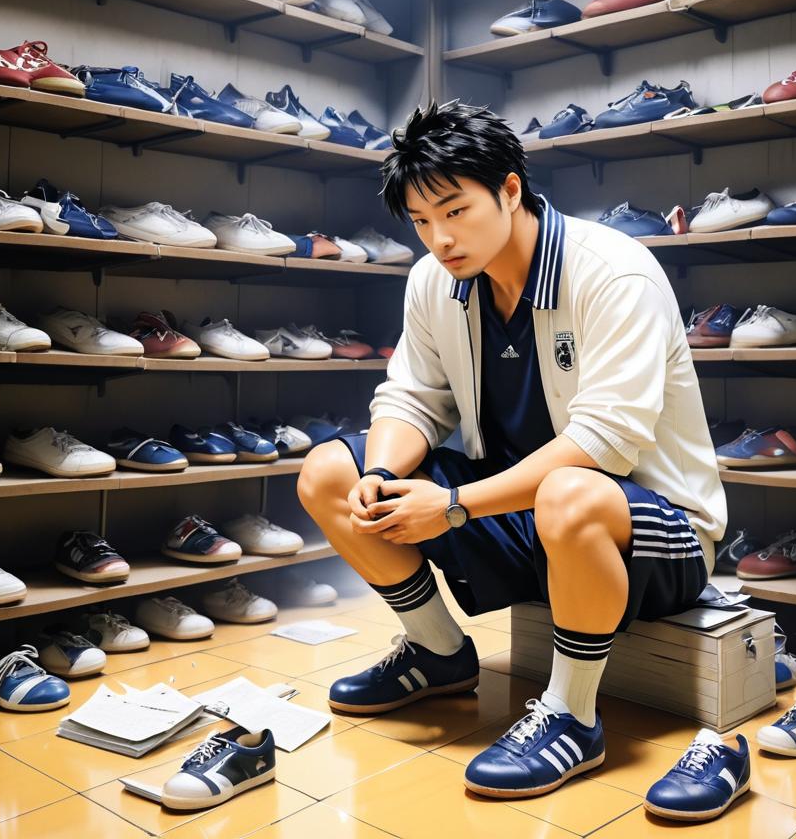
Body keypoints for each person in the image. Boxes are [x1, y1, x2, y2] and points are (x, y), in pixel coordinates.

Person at [297, 99, 726, 798]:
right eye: (422, 222)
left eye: (455, 211)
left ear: (510, 190)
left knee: (569, 492)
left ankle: (572, 717)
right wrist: (378, 475)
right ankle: (438, 655)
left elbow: (604, 445)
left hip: (655, 531)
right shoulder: (434, 282)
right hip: (516, 510)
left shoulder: (616, 272)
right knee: (329, 473)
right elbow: (410, 398)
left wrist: (457, 506)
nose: (440, 238)